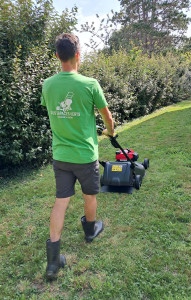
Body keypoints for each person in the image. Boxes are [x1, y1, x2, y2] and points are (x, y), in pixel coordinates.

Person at [41, 33, 114, 280]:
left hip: (61, 155)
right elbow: (108, 118)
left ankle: (52, 263)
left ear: (57, 56)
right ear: (78, 55)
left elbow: (54, 110)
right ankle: (90, 231)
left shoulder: (47, 85)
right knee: (89, 195)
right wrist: (110, 132)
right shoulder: (90, 84)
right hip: (84, 155)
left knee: (61, 201)